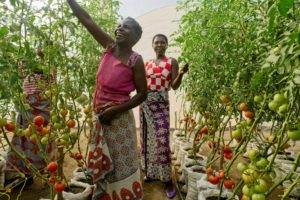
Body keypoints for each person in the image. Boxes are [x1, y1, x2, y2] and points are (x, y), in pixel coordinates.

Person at [67, 1, 147, 199]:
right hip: (101, 116)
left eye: (126, 27)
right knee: (104, 163)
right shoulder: (109, 47)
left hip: (118, 120)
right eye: (119, 25)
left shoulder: (135, 60)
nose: (120, 28)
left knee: (121, 164)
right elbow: (87, 21)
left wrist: (115, 110)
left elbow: (142, 93)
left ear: (135, 37)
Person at [140, 34, 188, 198]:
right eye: (156, 42)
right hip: (146, 103)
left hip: (161, 104)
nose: (159, 44)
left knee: (162, 140)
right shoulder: (146, 63)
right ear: (152, 45)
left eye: (162, 42)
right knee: (147, 139)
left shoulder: (171, 62)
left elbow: (174, 86)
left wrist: (181, 73)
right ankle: (151, 173)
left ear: (166, 45)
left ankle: (167, 180)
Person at [5, 52, 57, 187]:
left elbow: (22, 95)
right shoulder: (47, 78)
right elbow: (53, 75)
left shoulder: (28, 79)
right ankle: (46, 171)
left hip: (28, 122)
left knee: (25, 145)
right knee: (44, 144)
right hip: (43, 121)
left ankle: (27, 173)